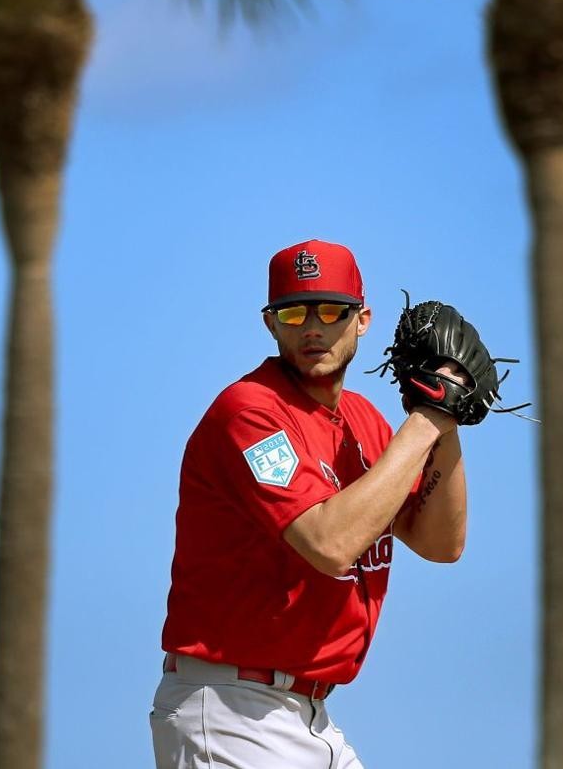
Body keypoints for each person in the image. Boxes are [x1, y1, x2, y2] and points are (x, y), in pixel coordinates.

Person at [150, 239, 469, 769]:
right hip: (231, 713)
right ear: (271, 324)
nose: (313, 327)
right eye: (294, 311)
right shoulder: (250, 414)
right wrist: (423, 422)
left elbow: (441, 543)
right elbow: (330, 544)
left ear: (362, 319)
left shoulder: (367, 422)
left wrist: (445, 421)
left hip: (309, 716)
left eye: (331, 310)